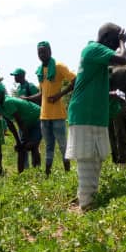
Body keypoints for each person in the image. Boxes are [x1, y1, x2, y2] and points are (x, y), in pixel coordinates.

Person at [66, 23, 126, 211]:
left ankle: (87, 198)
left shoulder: (96, 56)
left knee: (96, 157)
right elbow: (122, 59)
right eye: (115, 42)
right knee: (87, 157)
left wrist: (111, 95)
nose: (117, 47)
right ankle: (86, 204)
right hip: (85, 115)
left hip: (93, 115)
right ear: (109, 37)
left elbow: (91, 85)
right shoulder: (93, 49)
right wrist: (123, 42)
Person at [34, 41, 77, 175]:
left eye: (44, 51)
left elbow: (75, 80)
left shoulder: (59, 66)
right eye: (39, 52)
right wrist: (24, 99)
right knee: (48, 147)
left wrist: (59, 95)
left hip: (58, 115)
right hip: (44, 116)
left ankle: (68, 173)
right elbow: (42, 93)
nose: (42, 54)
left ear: (50, 51)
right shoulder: (40, 71)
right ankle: (47, 174)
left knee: (63, 146)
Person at [0, 87, 42, 173]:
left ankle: (37, 171)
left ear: (2, 94)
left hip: (36, 118)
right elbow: (10, 124)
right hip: (25, 123)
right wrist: (18, 142)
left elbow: (19, 121)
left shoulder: (8, 102)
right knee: (21, 148)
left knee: (32, 145)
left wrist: (24, 140)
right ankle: (21, 174)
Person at [107, 87, 126, 164]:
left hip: (119, 110)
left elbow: (123, 93)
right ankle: (115, 160)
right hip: (108, 111)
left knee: (120, 135)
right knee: (112, 136)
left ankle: (122, 160)